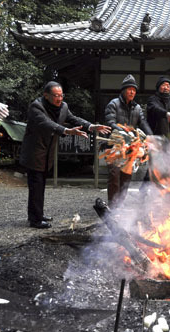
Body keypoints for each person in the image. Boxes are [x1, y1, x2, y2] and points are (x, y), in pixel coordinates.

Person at [20, 81, 111, 229]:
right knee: (36, 185)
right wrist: (67, 131)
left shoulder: (63, 107)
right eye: (55, 96)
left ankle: (37, 214)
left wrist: (91, 126)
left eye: (61, 95)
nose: (59, 99)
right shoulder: (36, 106)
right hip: (34, 152)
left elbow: (74, 119)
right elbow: (46, 123)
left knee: (40, 185)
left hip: (47, 153)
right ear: (46, 95)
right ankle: (35, 220)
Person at [104, 74, 153, 208]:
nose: (132, 92)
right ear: (123, 90)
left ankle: (119, 204)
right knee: (114, 175)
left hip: (130, 146)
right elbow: (110, 122)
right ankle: (113, 206)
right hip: (115, 144)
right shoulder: (113, 104)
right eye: (129, 89)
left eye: (134, 90)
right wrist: (124, 132)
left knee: (126, 176)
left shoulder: (137, 108)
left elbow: (142, 122)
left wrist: (150, 135)